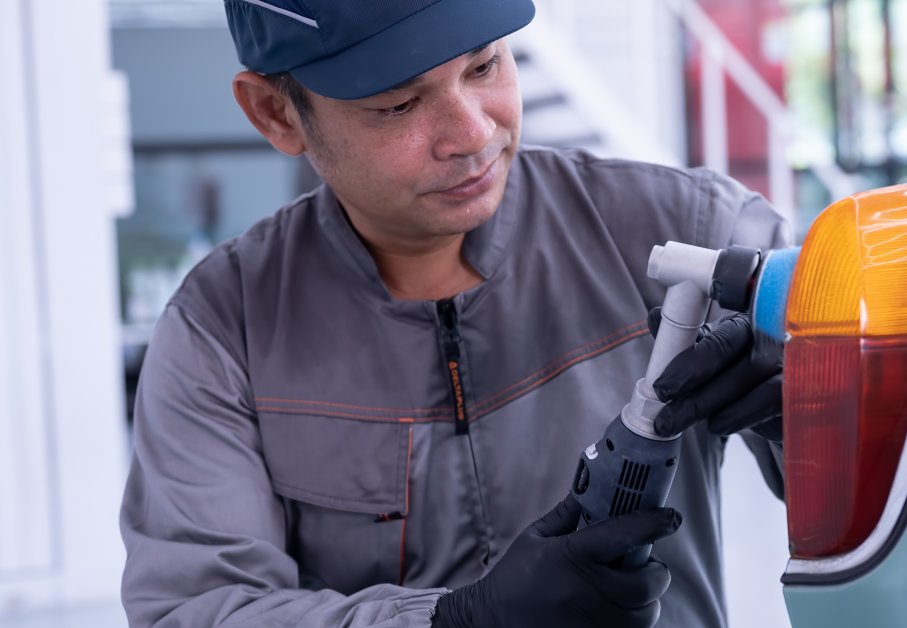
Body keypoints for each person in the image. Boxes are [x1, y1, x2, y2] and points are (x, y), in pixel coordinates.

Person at [120, 1, 791, 626]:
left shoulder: (695, 230)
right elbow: (199, 608)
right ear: (276, 113)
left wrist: (820, 406)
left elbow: (882, 500)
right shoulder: (223, 328)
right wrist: (455, 620)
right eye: (399, 103)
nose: (471, 134)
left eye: (484, 65)